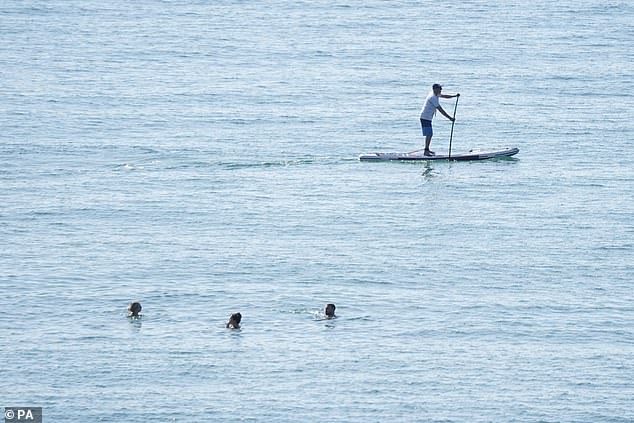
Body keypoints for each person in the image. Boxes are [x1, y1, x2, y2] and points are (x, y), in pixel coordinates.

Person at [419, 83, 459, 156]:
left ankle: (427, 149)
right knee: (429, 134)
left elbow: (444, 96)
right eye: (439, 89)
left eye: (441, 88)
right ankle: (426, 151)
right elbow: (441, 110)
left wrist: (454, 96)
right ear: (435, 89)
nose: (441, 90)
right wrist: (450, 118)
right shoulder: (433, 98)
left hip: (427, 117)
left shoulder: (436, 94)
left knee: (429, 134)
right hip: (425, 117)